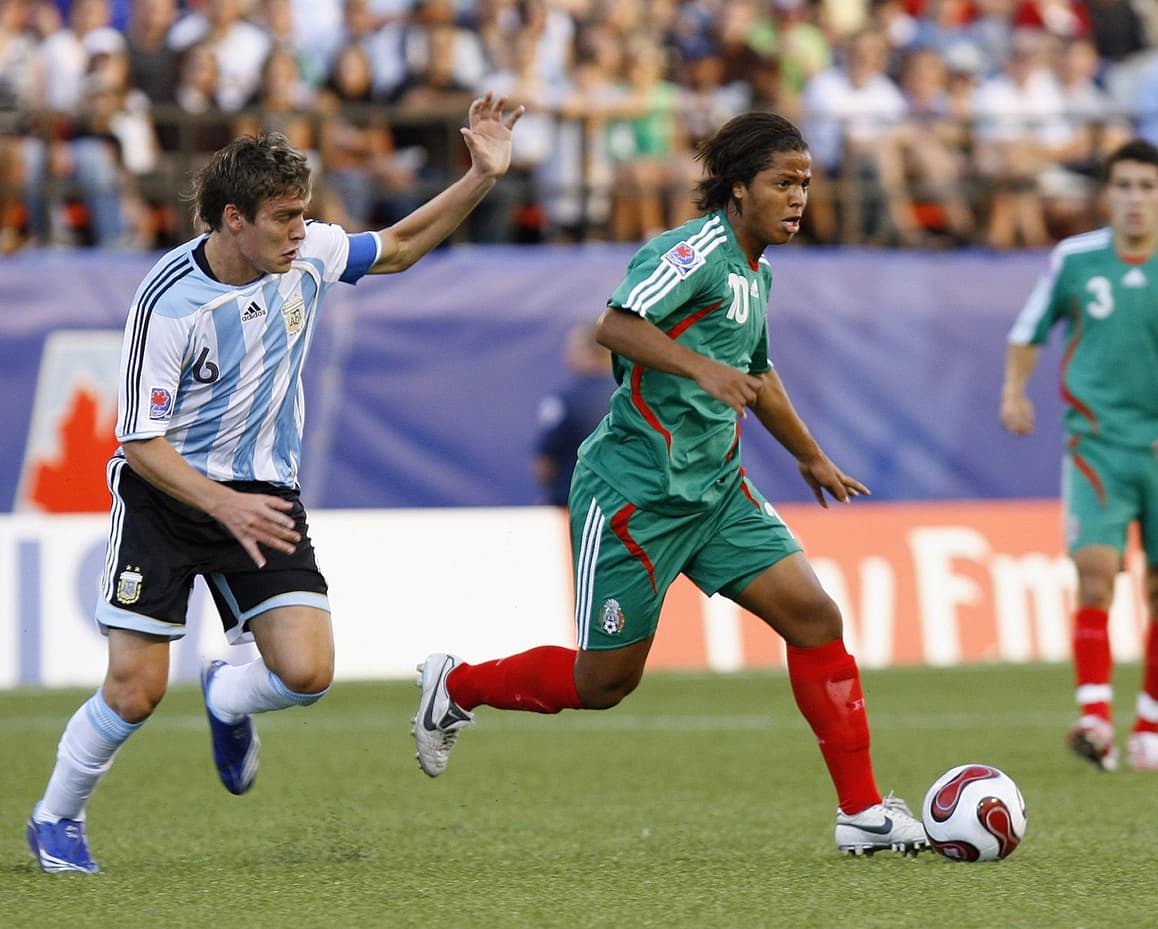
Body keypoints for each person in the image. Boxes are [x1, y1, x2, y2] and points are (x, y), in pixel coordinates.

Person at [26, 92, 523, 874]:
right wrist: (219, 502)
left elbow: (396, 247)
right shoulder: (167, 304)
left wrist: (481, 177)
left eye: (304, 215)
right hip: (168, 496)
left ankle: (227, 692)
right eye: (285, 217)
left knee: (308, 672)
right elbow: (139, 442)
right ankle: (56, 815)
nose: (303, 231)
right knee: (133, 692)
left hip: (263, 491)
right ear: (232, 220)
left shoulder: (309, 252)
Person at [411, 112, 928, 858]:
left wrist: (811, 456)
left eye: (806, 183)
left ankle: (863, 812)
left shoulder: (758, 271)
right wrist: (701, 368)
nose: (798, 197)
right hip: (633, 498)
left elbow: (759, 372)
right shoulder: (694, 252)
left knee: (816, 618)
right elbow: (614, 325)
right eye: (783, 182)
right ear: (740, 188)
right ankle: (455, 688)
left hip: (715, 492)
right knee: (604, 682)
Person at [999, 138, 1158, 774]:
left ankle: (1150, 727)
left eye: (1146, 187)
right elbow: (1028, 330)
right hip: (1097, 445)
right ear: (1107, 194)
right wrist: (1014, 390)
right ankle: (1095, 719)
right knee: (1096, 571)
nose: (1134, 199)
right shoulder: (1075, 260)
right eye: (1123, 186)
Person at [531, 323, 616, 507]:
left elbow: (544, 465)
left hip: (574, 504)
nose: (567, 357)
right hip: (623, 505)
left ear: (588, 351)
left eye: (573, 349)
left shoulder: (563, 401)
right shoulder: (631, 395)